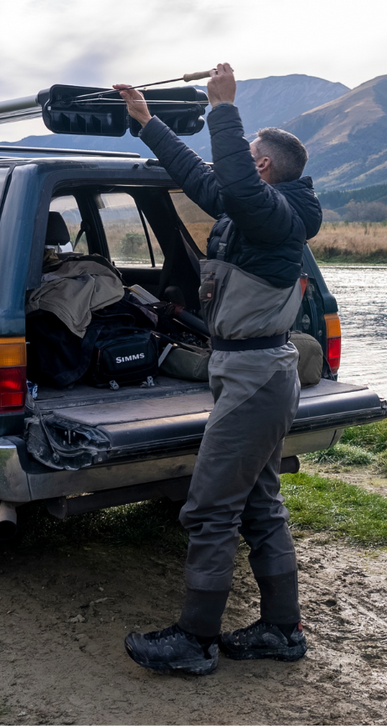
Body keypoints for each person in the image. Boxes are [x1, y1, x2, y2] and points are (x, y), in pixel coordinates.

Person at [114, 63, 322, 676]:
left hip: (257, 378)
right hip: (247, 373)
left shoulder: (277, 217)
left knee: (209, 507)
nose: (241, 161)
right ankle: (282, 632)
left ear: (261, 167)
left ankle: (195, 639)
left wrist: (222, 108)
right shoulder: (250, 210)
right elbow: (206, 181)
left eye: (249, 155)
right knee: (258, 504)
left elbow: (229, 174)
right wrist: (148, 124)